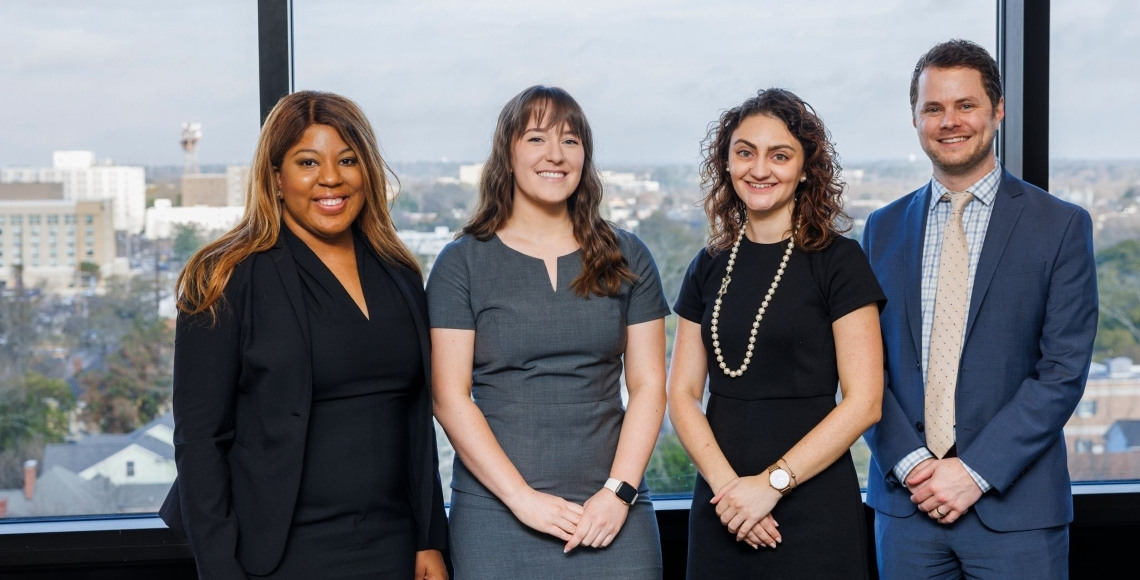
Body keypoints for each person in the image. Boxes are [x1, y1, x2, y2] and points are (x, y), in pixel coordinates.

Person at [159, 90, 449, 580]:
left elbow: (416, 420)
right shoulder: (225, 277)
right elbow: (199, 440)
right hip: (280, 554)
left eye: (348, 160)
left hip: (394, 546)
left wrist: (428, 541)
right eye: (307, 162)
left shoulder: (399, 271)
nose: (330, 178)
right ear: (276, 178)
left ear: (368, 172)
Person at [861, 39, 1098, 579]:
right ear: (915, 118)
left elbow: (1062, 372)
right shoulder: (882, 229)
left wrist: (973, 472)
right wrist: (914, 464)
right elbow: (863, 370)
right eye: (933, 108)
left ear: (997, 109)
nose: (950, 121)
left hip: (1017, 513)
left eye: (965, 105)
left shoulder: (1060, 226)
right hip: (906, 508)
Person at [427, 85, 668, 579]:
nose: (555, 155)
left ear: (586, 156)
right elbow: (449, 397)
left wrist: (618, 492)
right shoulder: (461, 263)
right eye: (537, 138)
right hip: (496, 511)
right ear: (507, 154)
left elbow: (648, 387)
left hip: (612, 508)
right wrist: (522, 500)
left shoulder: (629, 254)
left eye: (571, 140)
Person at [667, 88, 885, 579]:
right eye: (745, 152)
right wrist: (731, 494)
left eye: (779, 155)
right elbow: (680, 395)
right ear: (727, 163)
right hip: (722, 504)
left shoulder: (840, 263)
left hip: (812, 503)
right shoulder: (707, 266)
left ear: (806, 168)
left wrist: (770, 485)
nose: (759, 168)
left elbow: (865, 401)